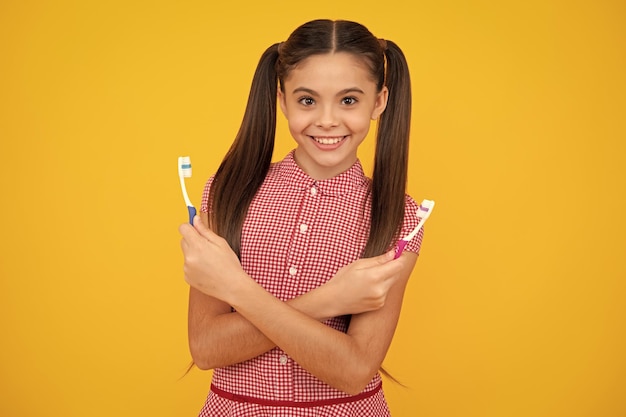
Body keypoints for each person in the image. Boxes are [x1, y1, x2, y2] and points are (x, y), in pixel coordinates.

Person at [179, 18, 425, 417]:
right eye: (307, 100)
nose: (327, 120)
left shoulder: (400, 217)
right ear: (282, 99)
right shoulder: (228, 192)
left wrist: (235, 288)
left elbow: (353, 370)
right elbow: (206, 348)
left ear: (379, 101)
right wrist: (329, 300)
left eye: (349, 100)